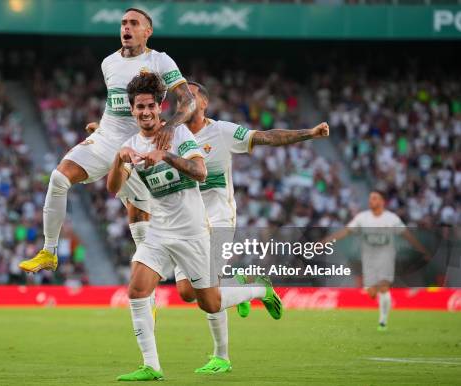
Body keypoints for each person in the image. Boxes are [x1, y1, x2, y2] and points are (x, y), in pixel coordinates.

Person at [108, 73, 280, 381]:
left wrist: (167, 156)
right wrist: (118, 161)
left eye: (150, 106)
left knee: (209, 302)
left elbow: (200, 172)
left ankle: (256, 288)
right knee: (137, 287)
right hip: (159, 231)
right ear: (132, 111)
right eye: (139, 107)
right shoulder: (131, 144)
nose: (145, 112)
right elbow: (113, 188)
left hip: (193, 232)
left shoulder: (180, 135)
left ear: (159, 107)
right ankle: (151, 366)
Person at [165, 81, 329, 373]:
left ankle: (221, 356)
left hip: (218, 219)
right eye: (179, 97)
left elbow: (266, 137)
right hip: (185, 223)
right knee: (187, 293)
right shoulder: (171, 136)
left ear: (204, 103)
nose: (184, 100)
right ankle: (251, 286)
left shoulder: (221, 131)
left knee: (208, 291)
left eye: (190, 95)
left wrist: (310, 133)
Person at [19, 8, 196, 273]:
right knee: (59, 178)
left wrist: (169, 127)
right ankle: (49, 251)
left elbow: (188, 100)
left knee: (138, 219)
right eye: (123, 23)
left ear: (147, 32)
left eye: (134, 23)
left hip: (136, 148)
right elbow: (117, 107)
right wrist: (102, 125)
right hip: (104, 141)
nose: (126, 27)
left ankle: (149, 291)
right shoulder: (108, 63)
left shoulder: (161, 61)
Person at [322, 191, 429, 331]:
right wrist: (326, 241)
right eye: (370, 198)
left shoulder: (392, 219)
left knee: (384, 287)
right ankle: (380, 300)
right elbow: (346, 231)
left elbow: (407, 235)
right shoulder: (362, 218)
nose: (371, 200)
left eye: (374, 198)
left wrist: (422, 249)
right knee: (372, 292)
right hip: (368, 259)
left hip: (386, 257)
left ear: (382, 201)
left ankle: (383, 321)